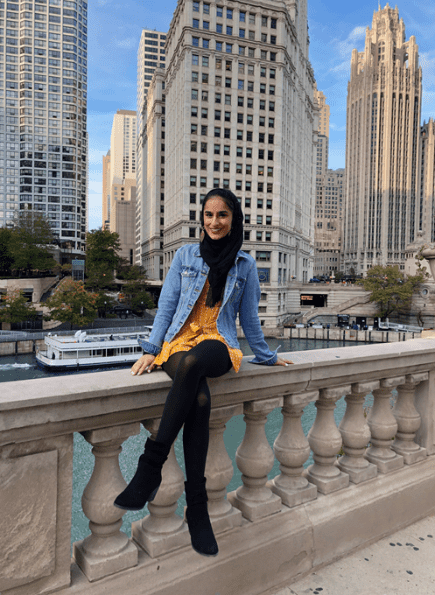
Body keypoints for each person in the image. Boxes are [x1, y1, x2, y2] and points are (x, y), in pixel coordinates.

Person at [114, 188, 293, 557]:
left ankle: (150, 466)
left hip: (218, 342)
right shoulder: (183, 255)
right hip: (179, 341)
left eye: (222, 215)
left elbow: (249, 320)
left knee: (197, 363)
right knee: (197, 396)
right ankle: (198, 508)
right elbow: (165, 309)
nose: (214, 222)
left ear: (234, 219)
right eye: (209, 215)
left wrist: (265, 355)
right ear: (202, 218)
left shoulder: (245, 266)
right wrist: (151, 350)